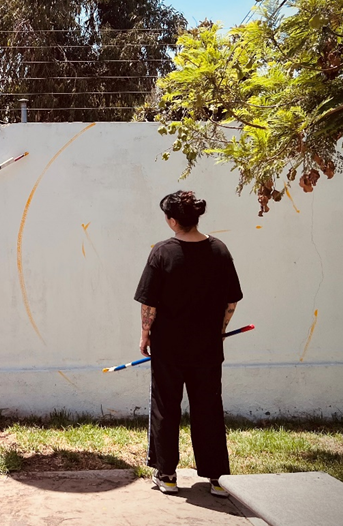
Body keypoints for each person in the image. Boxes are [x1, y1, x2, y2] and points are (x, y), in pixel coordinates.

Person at [134, 190, 243, 497]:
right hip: (207, 347)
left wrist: (145, 334)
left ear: (172, 221)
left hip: (168, 346)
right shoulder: (219, 250)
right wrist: (220, 329)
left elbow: (149, 303)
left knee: (166, 408)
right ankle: (218, 478)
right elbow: (231, 299)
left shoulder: (162, 252)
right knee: (209, 408)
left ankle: (167, 475)